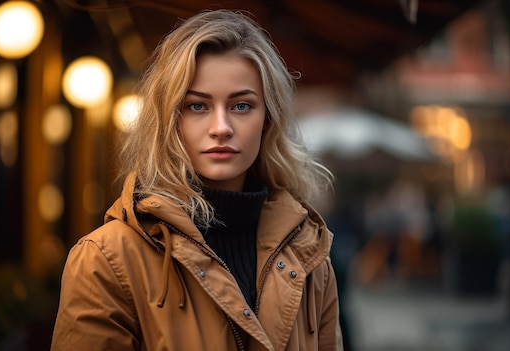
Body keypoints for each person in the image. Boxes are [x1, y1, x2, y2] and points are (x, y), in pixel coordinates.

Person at [51, 9, 342, 350]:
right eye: (197, 107)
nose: (221, 128)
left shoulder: (308, 257)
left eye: (242, 106)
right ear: (170, 119)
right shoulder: (106, 259)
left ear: (268, 118)